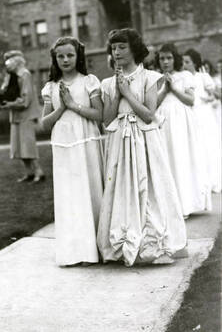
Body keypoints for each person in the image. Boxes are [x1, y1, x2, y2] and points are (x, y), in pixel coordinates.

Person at [97, 28, 187, 267]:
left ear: (134, 48)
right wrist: (117, 92)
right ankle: (123, 243)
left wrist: (127, 92)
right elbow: (106, 120)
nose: (116, 52)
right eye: (113, 48)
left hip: (144, 138)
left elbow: (148, 114)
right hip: (120, 140)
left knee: (148, 187)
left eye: (121, 47)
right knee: (122, 188)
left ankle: (151, 243)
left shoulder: (149, 77)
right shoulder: (107, 83)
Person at [41, 36, 103, 267]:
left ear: (78, 57)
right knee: (69, 195)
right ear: (55, 59)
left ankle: (92, 251)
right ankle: (72, 252)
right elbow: (44, 124)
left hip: (85, 141)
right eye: (60, 56)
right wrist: (61, 108)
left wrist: (74, 105)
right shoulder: (50, 87)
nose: (65, 60)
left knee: (89, 192)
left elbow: (99, 115)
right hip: (63, 146)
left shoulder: (89, 81)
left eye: (70, 55)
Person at [156, 44, 211, 218]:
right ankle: (171, 207)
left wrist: (174, 89)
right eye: (162, 58)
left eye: (169, 58)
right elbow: (154, 104)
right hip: (163, 121)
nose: (165, 62)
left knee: (182, 159)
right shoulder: (156, 79)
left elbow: (190, 100)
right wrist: (165, 89)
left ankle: (186, 204)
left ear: (175, 59)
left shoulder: (185, 75)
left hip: (181, 121)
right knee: (168, 160)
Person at [0, 50, 44, 183]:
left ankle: (39, 172)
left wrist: (9, 104)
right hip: (16, 116)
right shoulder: (10, 76)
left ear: (17, 61)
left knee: (28, 146)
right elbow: (5, 92)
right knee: (18, 147)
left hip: (26, 115)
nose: (6, 64)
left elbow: (26, 100)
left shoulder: (25, 75)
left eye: (9, 61)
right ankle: (29, 173)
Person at [183, 49, 221, 193]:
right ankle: (201, 183)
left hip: (204, 114)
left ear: (194, 63)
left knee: (209, 147)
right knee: (197, 149)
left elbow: (214, 96)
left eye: (188, 62)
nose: (185, 65)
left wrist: (207, 99)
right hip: (192, 115)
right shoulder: (184, 78)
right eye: (184, 62)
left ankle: (214, 181)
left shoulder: (202, 76)